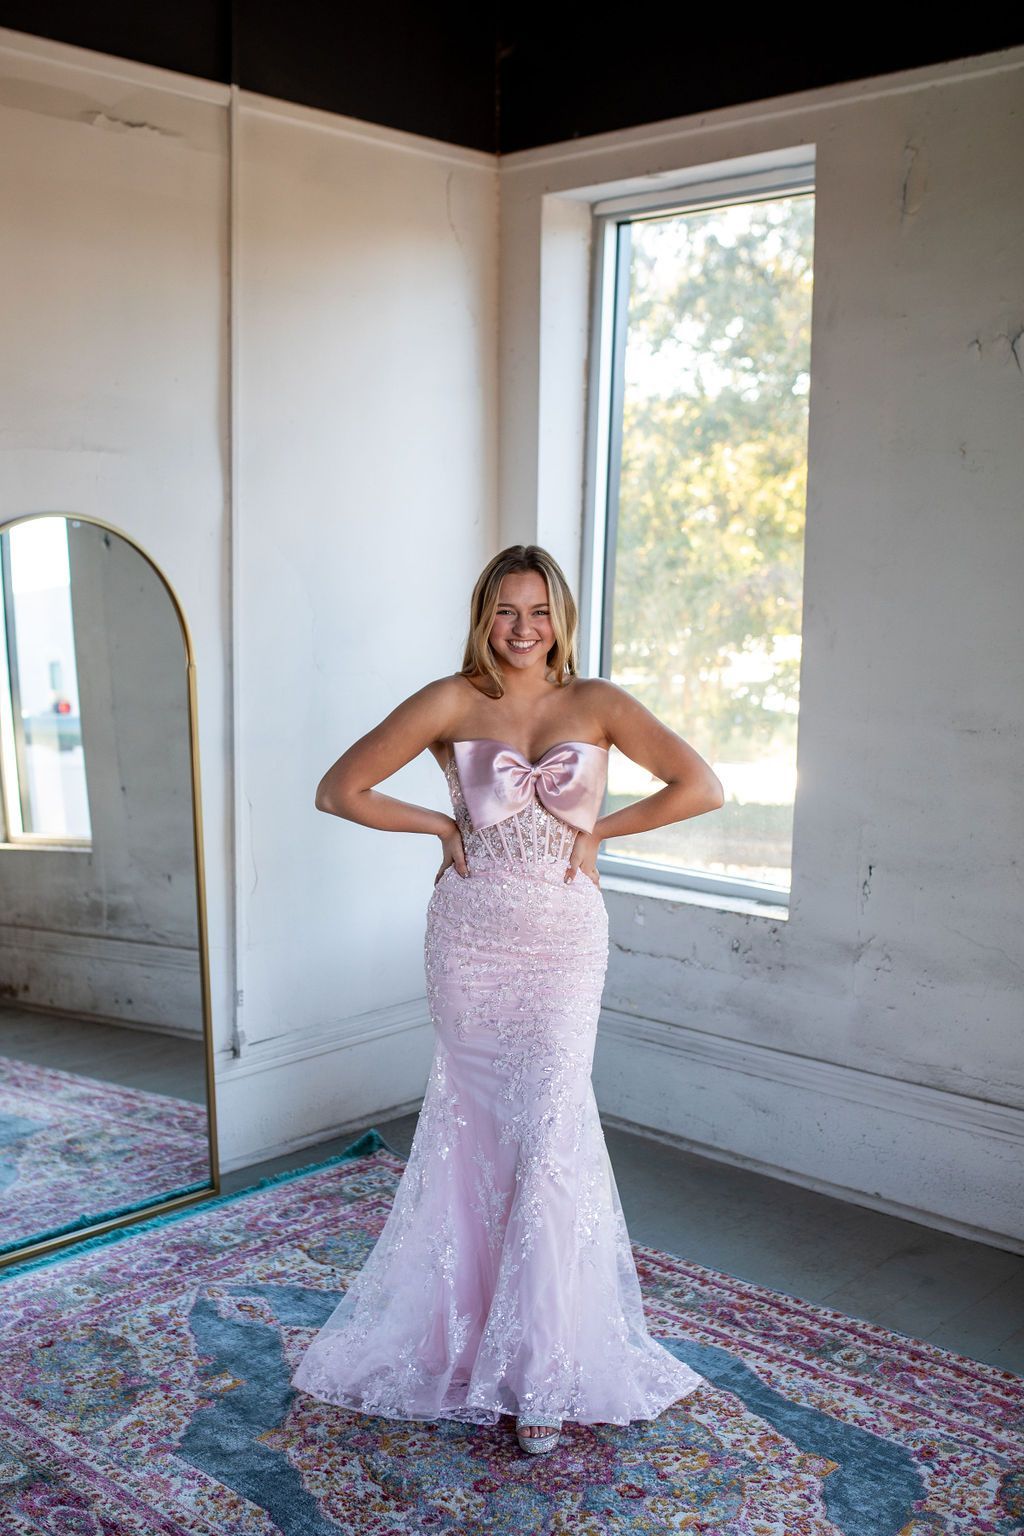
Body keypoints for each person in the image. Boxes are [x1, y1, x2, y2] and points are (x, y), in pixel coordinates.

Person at [290, 544, 724, 1455]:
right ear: (482, 616)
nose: (522, 631)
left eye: (538, 612)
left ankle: (545, 1371)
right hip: (472, 938)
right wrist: (441, 822)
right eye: (504, 612)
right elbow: (341, 789)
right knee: (478, 1134)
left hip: (564, 939)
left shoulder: (597, 703)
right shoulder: (452, 700)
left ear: (561, 617)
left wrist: (600, 829)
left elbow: (702, 786)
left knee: (552, 1131)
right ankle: (468, 1340)